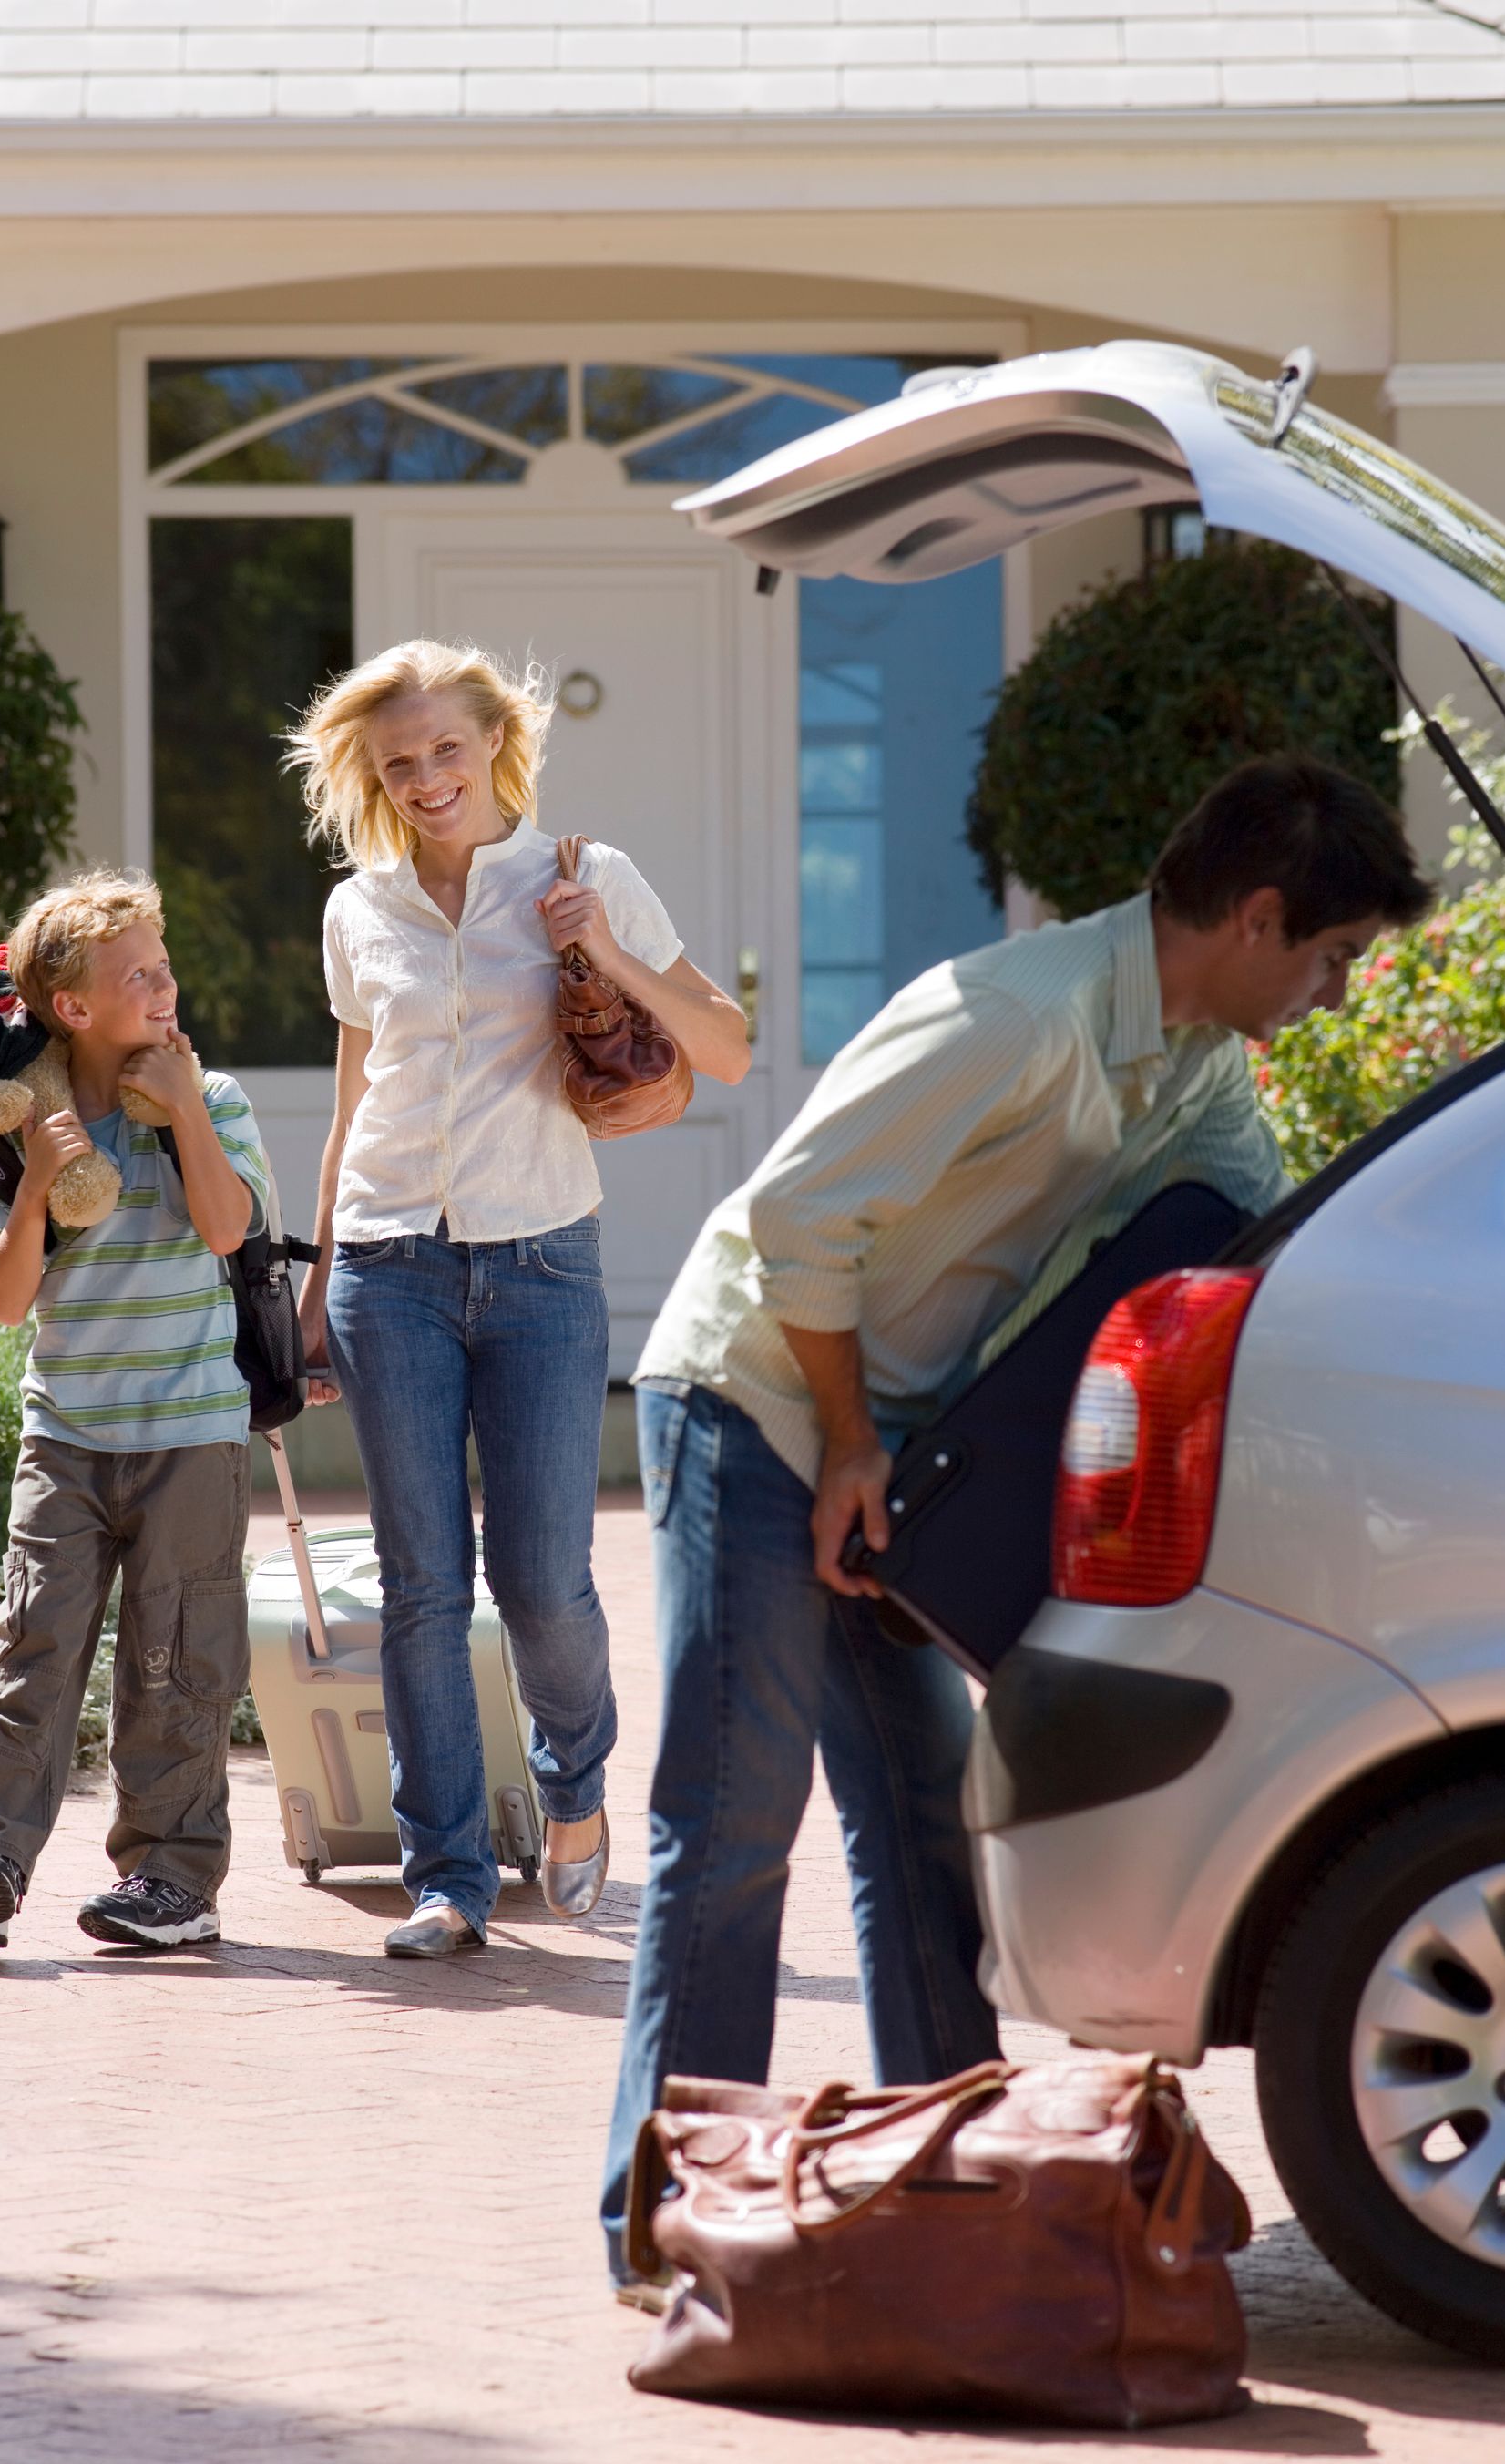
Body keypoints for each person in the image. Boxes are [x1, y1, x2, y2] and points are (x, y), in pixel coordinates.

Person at [601, 754, 1434, 2287]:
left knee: (925, 1818)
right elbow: (797, 1221)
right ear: (1255, 920)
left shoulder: (1192, 1064)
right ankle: (659, 2224)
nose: (1329, 991)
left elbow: (1272, 1240)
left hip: (875, 1441)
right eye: (1328, 958)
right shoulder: (1016, 1018)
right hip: (759, 1399)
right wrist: (852, 1446)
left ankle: (955, 2190)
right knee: (732, 1822)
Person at [289, 639, 751, 1961]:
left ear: (496, 741)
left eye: (447, 748)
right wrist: (322, 1281)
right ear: (370, 776)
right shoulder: (357, 909)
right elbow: (350, 1105)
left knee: (542, 1580)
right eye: (398, 762)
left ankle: (575, 1777)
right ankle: (446, 1875)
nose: (427, 778)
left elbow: (722, 1046)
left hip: (543, 1259)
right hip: (390, 1264)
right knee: (422, 1582)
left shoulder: (581, 876)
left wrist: (601, 944)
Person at [0, 872, 270, 1954]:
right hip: (66, 1438)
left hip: (193, 1439)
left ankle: (173, 1879)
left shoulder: (211, 1100)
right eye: (141, 976)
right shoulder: (22, 1126)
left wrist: (181, 1113)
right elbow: (2, 1300)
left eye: (165, 967)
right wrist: (35, 1185)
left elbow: (229, 1233)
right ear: (73, 1010)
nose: (167, 987)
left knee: (176, 1657)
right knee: (33, 1646)